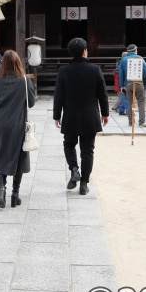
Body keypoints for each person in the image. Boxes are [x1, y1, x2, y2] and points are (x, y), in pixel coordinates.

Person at [53, 37, 109, 195]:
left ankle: (74, 169)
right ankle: (84, 183)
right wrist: (105, 113)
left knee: (69, 144)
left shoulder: (64, 71)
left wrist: (57, 115)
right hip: (90, 115)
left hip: (70, 114)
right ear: (85, 51)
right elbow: (102, 94)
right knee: (88, 150)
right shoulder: (95, 70)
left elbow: (59, 96)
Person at [0, 50, 36, 208]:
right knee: (20, 156)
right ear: (18, 62)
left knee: (2, 153)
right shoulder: (24, 80)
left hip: (1, 123)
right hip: (18, 123)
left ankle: (2, 189)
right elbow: (31, 102)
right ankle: (15, 194)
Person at [118, 44, 146, 128]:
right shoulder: (140, 58)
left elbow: (120, 74)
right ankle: (142, 122)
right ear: (135, 50)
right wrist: (140, 77)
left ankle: (131, 121)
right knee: (141, 102)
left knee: (130, 103)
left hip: (128, 84)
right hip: (139, 83)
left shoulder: (123, 60)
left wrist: (122, 85)